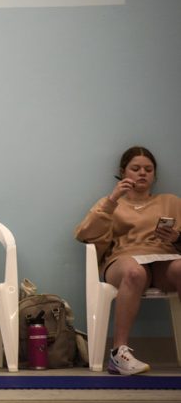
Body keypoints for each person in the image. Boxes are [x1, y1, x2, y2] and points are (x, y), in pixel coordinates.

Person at [75, 146, 181, 375]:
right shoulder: (112, 203)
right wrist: (113, 199)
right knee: (135, 273)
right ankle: (118, 354)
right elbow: (84, 233)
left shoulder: (170, 201)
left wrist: (177, 237)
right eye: (136, 168)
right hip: (123, 259)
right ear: (123, 172)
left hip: (163, 257)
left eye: (148, 169)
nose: (142, 173)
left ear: (155, 175)